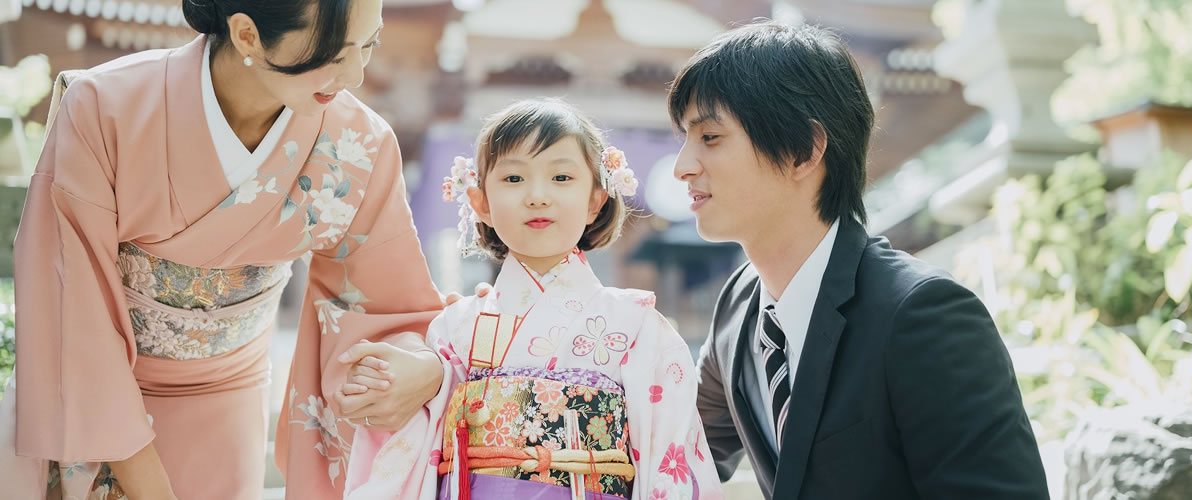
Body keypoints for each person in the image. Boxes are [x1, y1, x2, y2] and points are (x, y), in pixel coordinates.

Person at [0, 0, 449, 497]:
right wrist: (145, 482)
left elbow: (392, 308)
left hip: (228, 406)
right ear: (247, 35)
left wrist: (424, 368)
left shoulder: (360, 142)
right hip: (90, 397)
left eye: (369, 46)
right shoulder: (105, 106)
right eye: (334, 53)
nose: (357, 75)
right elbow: (67, 298)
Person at [670, 21, 1051, 499]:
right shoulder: (739, 305)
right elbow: (678, 451)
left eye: (710, 137)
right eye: (685, 137)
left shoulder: (923, 314)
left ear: (803, 150)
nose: (681, 166)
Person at [341, 98, 724, 499]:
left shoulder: (636, 326)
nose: (538, 196)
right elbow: (417, 437)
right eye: (513, 179)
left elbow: (668, 453)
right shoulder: (454, 327)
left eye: (561, 178)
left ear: (596, 199)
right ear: (481, 203)